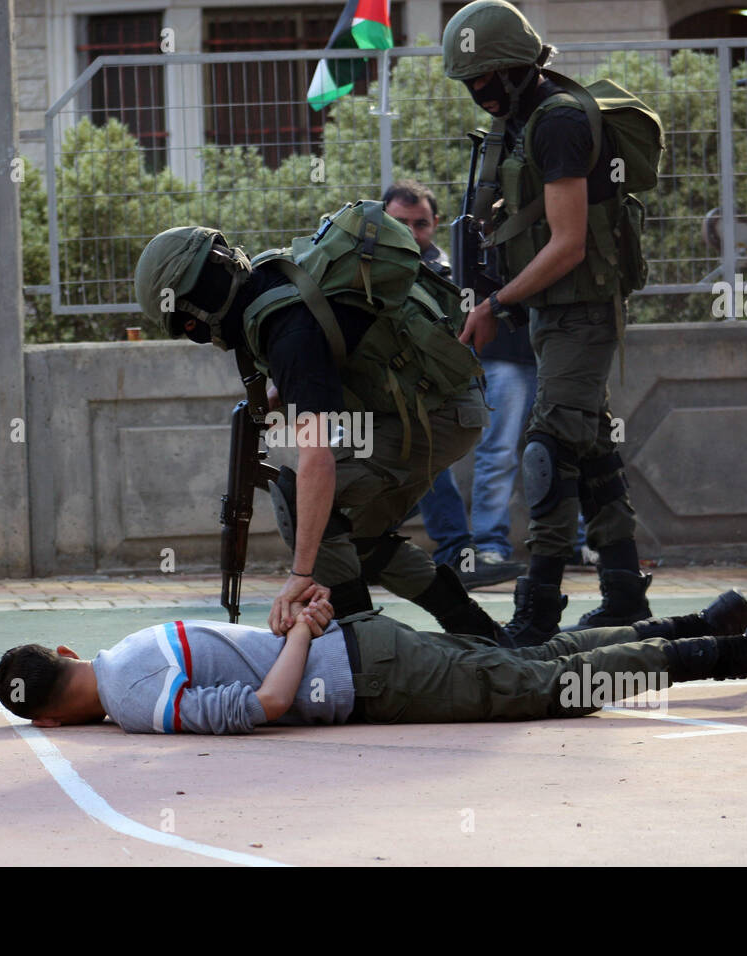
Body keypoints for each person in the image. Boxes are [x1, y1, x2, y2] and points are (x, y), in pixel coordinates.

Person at [134, 208, 505, 644]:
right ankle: (481, 634)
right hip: (420, 407)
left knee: (306, 504)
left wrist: (301, 574)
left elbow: (317, 459)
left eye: (189, 324)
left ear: (200, 303)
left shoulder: (285, 328)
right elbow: (324, 354)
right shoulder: (268, 281)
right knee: (355, 537)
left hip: (439, 414)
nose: (199, 334)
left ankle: (360, 646)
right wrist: (278, 397)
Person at [442, 0, 652, 645]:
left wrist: (496, 305)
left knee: (548, 451)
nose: (476, 92)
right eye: (468, 81)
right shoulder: (520, 118)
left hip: (581, 311)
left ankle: (537, 610)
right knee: (591, 449)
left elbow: (568, 244)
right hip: (549, 311)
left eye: (481, 78)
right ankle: (624, 593)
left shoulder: (558, 120)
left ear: (512, 69)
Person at [0, 587, 747, 735]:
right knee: (537, 657)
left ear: (51, 719)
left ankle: (746, 649)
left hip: (369, 677)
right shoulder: (131, 644)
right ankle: (706, 620)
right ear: (66, 652)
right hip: (369, 646)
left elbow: (267, 705)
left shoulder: (137, 701)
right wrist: (306, 627)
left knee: (555, 689)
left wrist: (299, 634)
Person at [382, 178, 525, 588]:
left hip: (411, 398)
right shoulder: (361, 265)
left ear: (435, 224)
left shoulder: (447, 275)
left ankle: (454, 553)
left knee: (426, 450)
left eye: (420, 224)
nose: (412, 233)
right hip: (363, 398)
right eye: (400, 223)